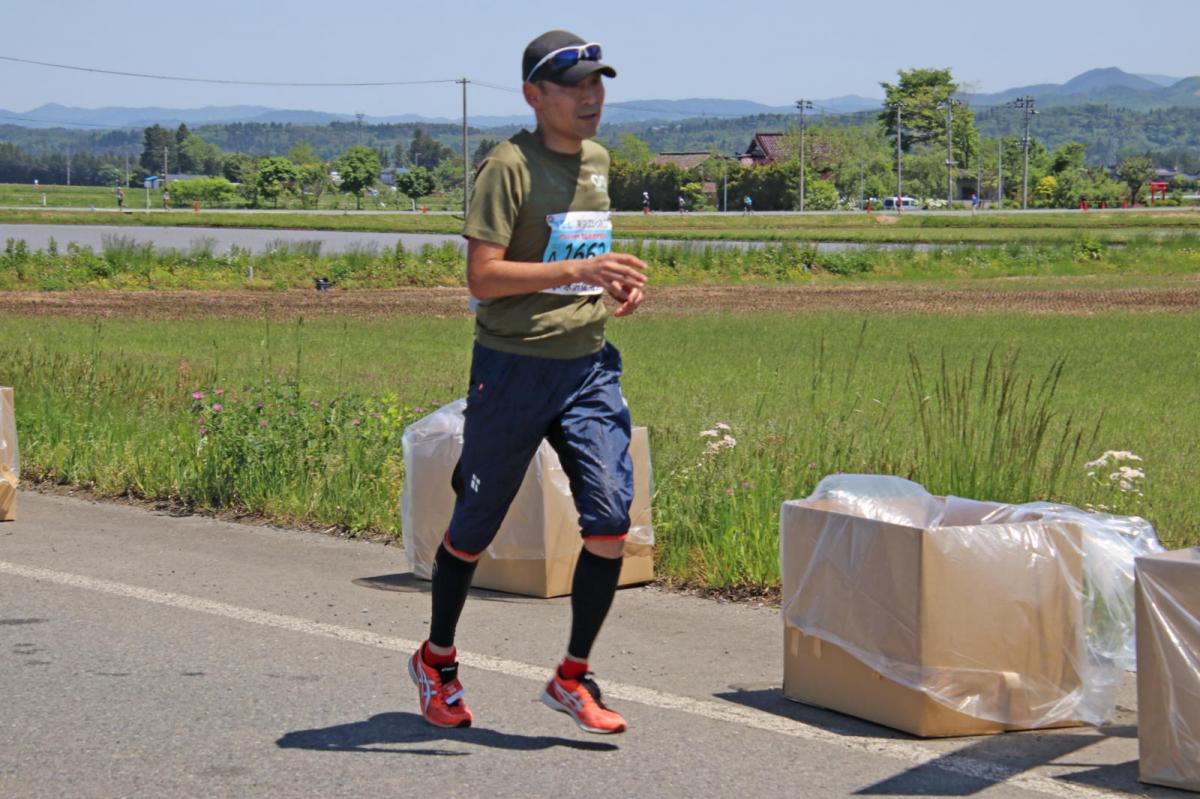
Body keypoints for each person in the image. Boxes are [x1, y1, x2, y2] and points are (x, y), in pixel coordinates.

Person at [408, 29, 647, 736]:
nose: (590, 97)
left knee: (609, 524)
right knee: (473, 532)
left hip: (588, 366)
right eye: (574, 86)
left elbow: (584, 255)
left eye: (597, 83)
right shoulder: (507, 167)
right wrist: (578, 272)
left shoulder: (599, 160)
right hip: (513, 368)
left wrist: (614, 289)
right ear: (533, 96)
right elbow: (483, 277)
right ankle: (437, 659)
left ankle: (572, 675)